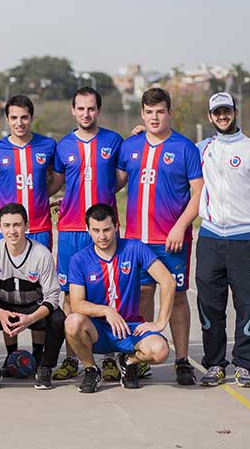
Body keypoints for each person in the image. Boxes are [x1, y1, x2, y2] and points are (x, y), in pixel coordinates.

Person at [117, 87, 203, 385]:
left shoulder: (185, 148)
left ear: (170, 113)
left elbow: (198, 193)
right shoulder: (130, 147)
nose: (155, 117)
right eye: (149, 112)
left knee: (177, 296)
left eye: (160, 111)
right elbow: (113, 183)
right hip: (136, 240)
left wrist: (180, 226)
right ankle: (141, 356)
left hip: (171, 239)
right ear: (142, 113)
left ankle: (181, 360)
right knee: (142, 295)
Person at [195, 92, 250, 388]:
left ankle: (244, 365)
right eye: (217, 112)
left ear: (235, 111)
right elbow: (171, 148)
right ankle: (215, 364)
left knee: (247, 304)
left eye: (227, 110)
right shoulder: (201, 148)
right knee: (209, 306)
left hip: (246, 238)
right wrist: (142, 132)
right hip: (210, 238)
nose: (222, 116)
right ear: (210, 117)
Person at [49, 87, 123, 382]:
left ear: (99, 110)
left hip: (104, 229)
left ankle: (109, 357)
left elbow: (121, 177)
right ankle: (73, 357)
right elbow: (55, 183)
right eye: (80, 108)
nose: (86, 113)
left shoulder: (113, 141)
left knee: (108, 291)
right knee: (70, 295)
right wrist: (60, 201)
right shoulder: (63, 145)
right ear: (72, 110)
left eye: (91, 108)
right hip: (70, 230)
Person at [65, 204, 174, 392]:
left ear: (116, 226)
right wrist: (106, 311)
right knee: (72, 322)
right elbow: (76, 304)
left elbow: (168, 282)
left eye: (107, 229)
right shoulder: (79, 259)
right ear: (88, 230)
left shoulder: (134, 248)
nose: (102, 236)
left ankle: (128, 362)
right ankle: (91, 369)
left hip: (129, 327)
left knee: (160, 350)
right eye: (96, 230)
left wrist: (160, 323)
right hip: (97, 329)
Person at [0, 95, 57, 373]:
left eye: (24, 117)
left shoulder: (47, 145)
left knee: (35, 292)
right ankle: (11, 353)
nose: (19, 122)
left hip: (38, 226)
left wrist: (40, 199)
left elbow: (55, 180)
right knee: (6, 292)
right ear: (7, 120)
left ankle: (38, 355)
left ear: (31, 117)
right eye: (13, 117)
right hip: (6, 232)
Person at [0, 203, 66, 390]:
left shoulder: (41, 254)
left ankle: (45, 367)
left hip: (32, 309)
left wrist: (30, 318)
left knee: (58, 318)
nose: (12, 231)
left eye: (17, 225)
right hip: (3, 308)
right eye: (7, 225)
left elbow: (53, 296)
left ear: (26, 226)